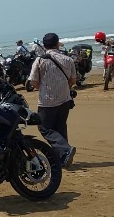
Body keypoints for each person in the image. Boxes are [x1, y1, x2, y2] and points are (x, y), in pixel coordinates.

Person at [28, 33, 77, 167]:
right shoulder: (68, 59)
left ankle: (65, 150)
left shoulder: (40, 60)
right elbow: (73, 80)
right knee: (60, 127)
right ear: (57, 44)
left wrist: (44, 88)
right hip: (65, 99)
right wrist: (64, 88)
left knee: (44, 127)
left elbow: (33, 82)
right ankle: (64, 158)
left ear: (44, 46)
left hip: (47, 101)